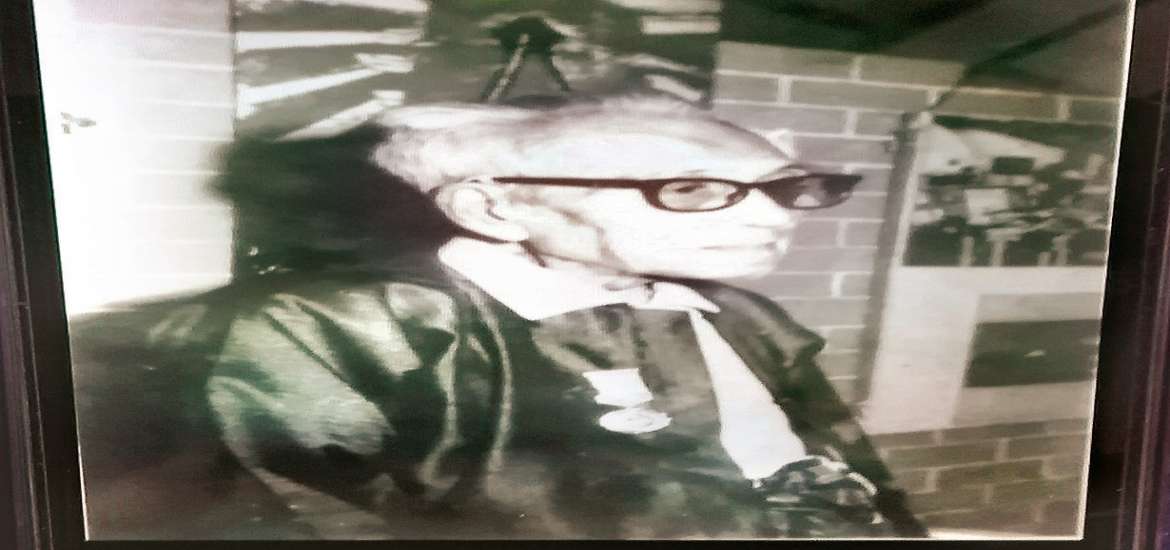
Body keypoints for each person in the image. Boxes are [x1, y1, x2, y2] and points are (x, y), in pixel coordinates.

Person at [203, 95, 925, 539]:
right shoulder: (341, 328)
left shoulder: (737, 313)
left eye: (786, 187)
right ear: (492, 208)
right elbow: (291, 512)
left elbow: (845, 471)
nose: (777, 219)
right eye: (690, 188)